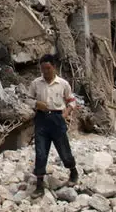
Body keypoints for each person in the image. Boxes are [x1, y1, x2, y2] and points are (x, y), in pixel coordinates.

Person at [27, 54, 78, 195]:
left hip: (57, 119)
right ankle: (39, 184)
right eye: (43, 69)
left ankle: (73, 172)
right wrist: (36, 104)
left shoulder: (63, 84)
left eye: (48, 68)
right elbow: (28, 99)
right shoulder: (36, 83)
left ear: (54, 67)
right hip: (41, 120)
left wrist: (65, 114)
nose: (46, 72)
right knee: (41, 152)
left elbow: (72, 101)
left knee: (64, 150)